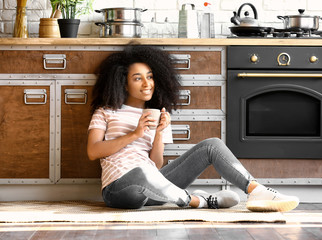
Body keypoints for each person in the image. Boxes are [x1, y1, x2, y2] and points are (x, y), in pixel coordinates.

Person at [87, 45, 299, 212]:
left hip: (154, 188)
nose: (147, 83)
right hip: (119, 190)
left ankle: (256, 190)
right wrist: (135, 134)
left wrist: (159, 132)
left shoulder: (156, 115)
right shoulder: (107, 111)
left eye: (150, 76)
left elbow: (156, 164)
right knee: (142, 172)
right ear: (124, 84)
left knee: (211, 145)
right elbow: (93, 151)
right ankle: (200, 201)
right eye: (137, 78)